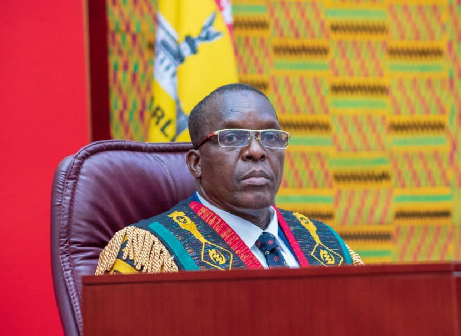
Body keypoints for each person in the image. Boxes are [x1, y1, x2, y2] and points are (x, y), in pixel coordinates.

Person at [95, 83, 363, 274]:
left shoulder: (326, 244)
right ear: (196, 163)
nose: (256, 151)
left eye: (270, 137)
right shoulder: (148, 252)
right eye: (232, 138)